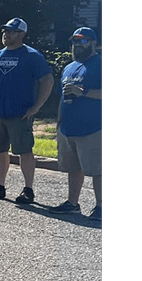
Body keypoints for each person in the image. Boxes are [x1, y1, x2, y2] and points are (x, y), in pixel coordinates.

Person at [0, 18, 54, 204]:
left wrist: (35, 108)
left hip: (20, 113)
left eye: (11, 31)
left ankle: (28, 189)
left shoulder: (31, 55)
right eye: (5, 31)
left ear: (22, 34)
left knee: (24, 151)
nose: (6, 34)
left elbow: (47, 81)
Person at [50, 27, 103, 221]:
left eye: (82, 41)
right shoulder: (69, 67)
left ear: (93, 43)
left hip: (94, 126)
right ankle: (72, 203)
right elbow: (62, 97)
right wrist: (59, 123)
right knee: (73, 168)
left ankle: (101, 206)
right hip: (68, 127)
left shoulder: (102, 63)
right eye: (74, 42)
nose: (76, 45)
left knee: (98, 169)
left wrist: (84, 92)